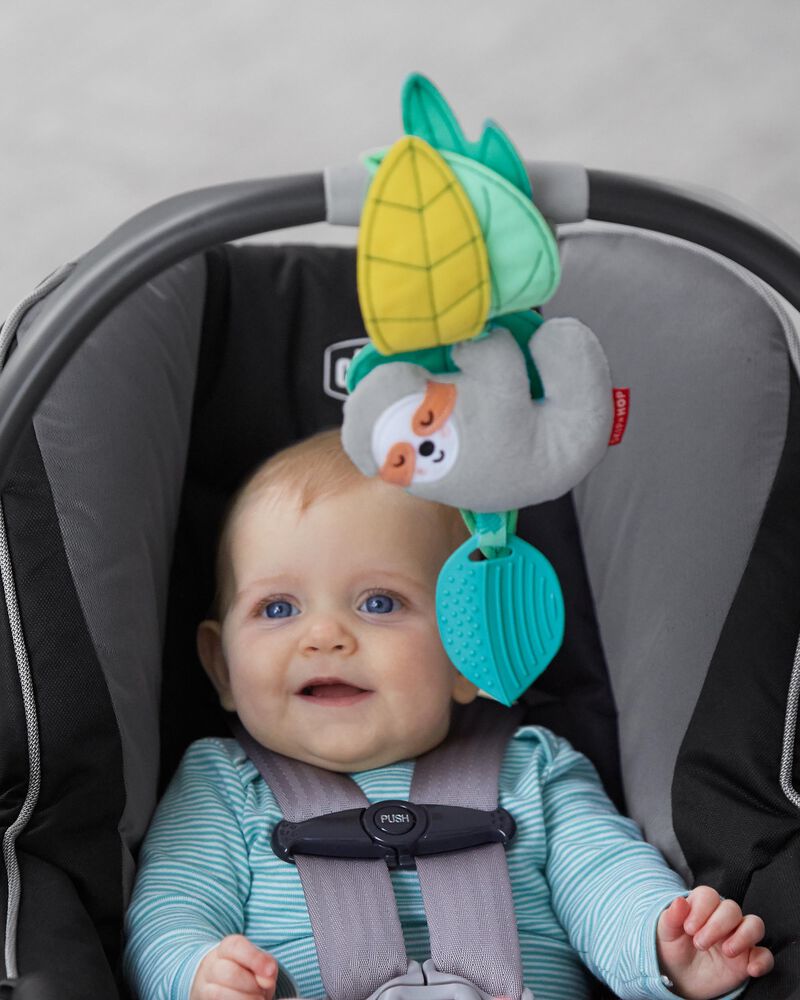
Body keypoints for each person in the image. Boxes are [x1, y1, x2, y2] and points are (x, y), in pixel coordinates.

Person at [124, 429, 773, 1000]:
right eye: (277, 609)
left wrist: (663, 947)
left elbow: (606, 880)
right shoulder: (223, 786)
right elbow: (168, 915)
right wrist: (198, 973)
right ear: (221, 666)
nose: (324, 636)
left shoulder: (534, 769)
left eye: (378, 603)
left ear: (467, 655)